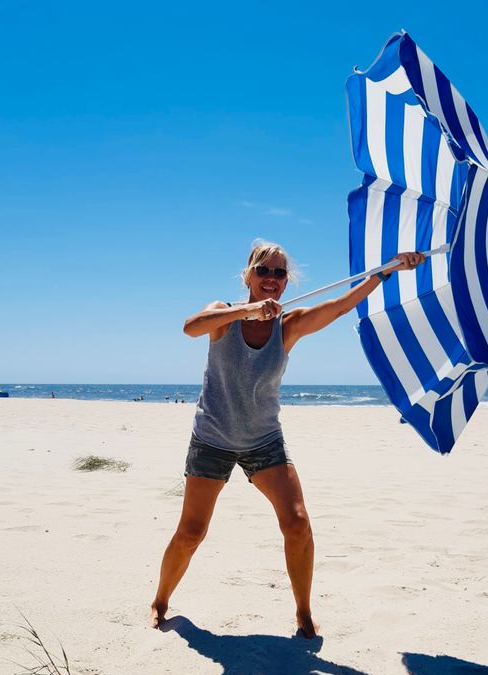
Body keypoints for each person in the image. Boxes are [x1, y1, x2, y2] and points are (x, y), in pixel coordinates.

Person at [150, 240, 425, 637]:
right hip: (213, 437)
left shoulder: (289, 324)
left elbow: (343, 305)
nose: (272, 279)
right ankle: (160, 600)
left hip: (264, 441)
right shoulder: (222, 315)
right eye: (264, 270)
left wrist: (388, 270)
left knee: (297, 523)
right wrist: (247, 310)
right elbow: (190, 328)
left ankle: (303, 613)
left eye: (280, 273)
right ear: (248, 275)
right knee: (191, 532)